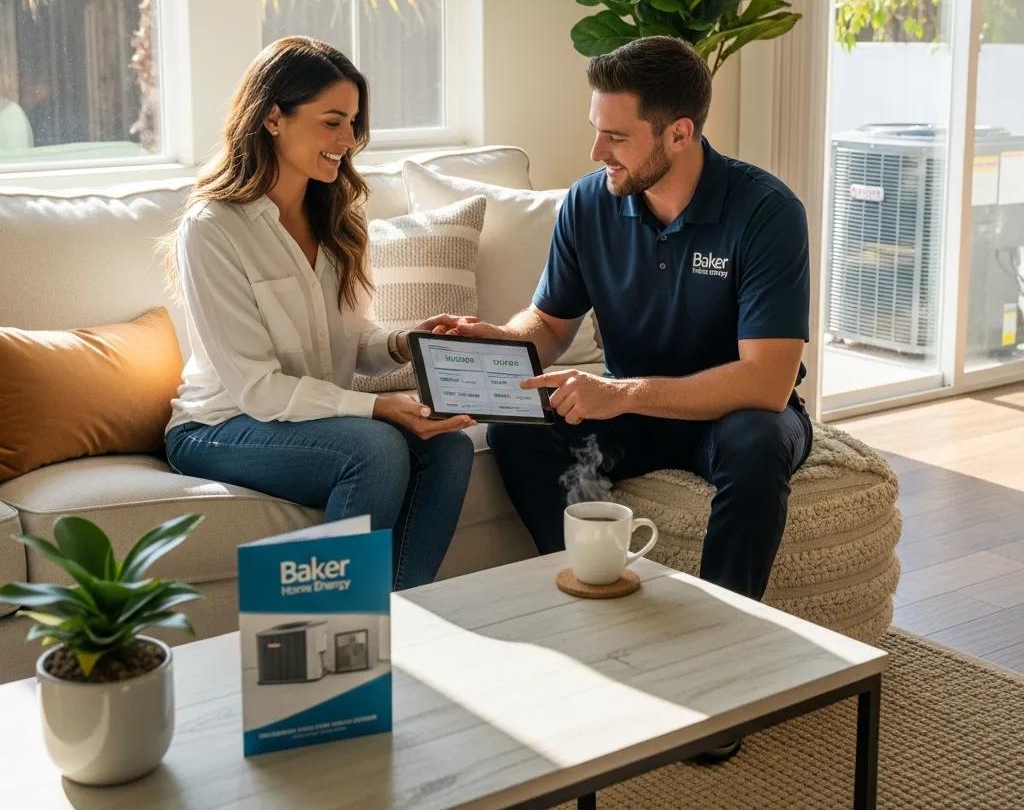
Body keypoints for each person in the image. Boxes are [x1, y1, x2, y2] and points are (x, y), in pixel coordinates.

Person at [447, 34, 813, 601]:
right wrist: (500, 341)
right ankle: (590, 585)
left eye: (616, 136)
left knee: (758, 445)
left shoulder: (767, 212)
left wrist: (622, 393)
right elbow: (548, 324)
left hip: (735, 413)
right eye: (597, 129)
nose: (597, 151)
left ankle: (728, 623)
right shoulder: (588, 204)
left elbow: (767, 382)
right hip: (632, 413)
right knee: (517, 431)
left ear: (680, 132)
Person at [163, 36, 474, 590]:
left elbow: (352, 344)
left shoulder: (338, 217)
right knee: (375, 450)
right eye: (332, 122)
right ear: (273, 118)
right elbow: (259, 390)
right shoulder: (212, 229)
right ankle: (318, 638)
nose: (348, 141)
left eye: (353, 123)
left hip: (312, 419)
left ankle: (405, 627)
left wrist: (405, 342)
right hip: (221, 426)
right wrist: (377, 411)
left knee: (447, 446)